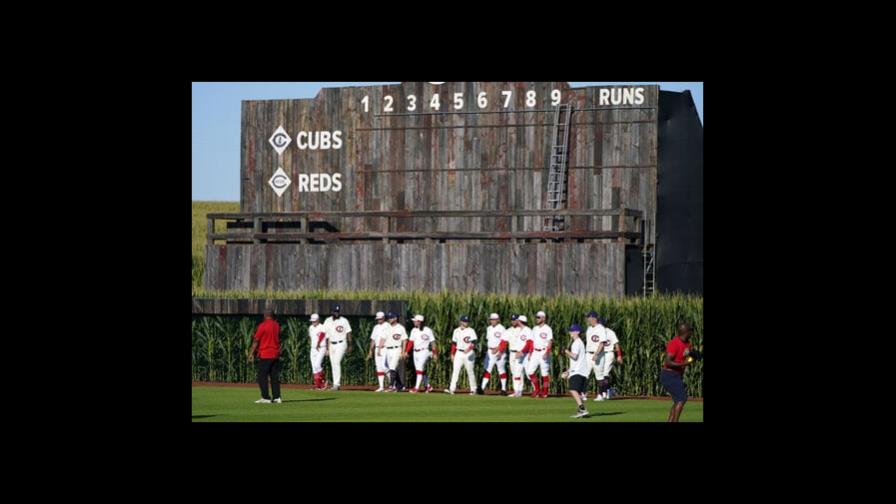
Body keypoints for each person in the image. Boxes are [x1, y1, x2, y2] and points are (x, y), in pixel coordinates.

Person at [661, 322, 695, 422]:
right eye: (690, 330)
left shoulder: (688, 343)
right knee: (681, 399)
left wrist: (694, 356)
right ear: (686, 332)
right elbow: (668, 362)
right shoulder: (674, 343)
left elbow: (688, 356)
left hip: (677, 375)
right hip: (668, 375)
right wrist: (684, 364)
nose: (692, 332)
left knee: (678, 400)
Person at [248, 308, 282, 404]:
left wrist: (251, 353)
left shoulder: (262, 326)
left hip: (265, 354)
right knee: (274, 377)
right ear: (272, 315)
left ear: (265, 315)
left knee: (262, 376)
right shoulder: (277, 325)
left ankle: (266, 397)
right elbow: (279, 339)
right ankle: (277, 397)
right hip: (275, 354)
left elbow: (256, 341)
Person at [445, 315, 477, 395]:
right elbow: (454, 343)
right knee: (455, 371)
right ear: (461, 321)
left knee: (470, 371)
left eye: (467, 321)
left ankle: (473, 389)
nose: (466, 323)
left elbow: (474, 342)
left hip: (469, 353)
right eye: (464, 321)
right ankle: (452, 389)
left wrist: (469, 349)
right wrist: (452, 353)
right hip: (459, 352)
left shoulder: (471, 330)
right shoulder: (456, 331)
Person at [563, 324, 590, 418]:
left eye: (572, 331)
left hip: (578, 371)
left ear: (578, 332)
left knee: (573, 390)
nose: (570, 332)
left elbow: (574, 356)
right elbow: (577, 360)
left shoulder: (576, 343)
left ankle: (582, 409)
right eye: (570, 330)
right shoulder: (579, 343)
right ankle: (581, 411)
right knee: (577, 392)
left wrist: (566, 352)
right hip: (579, 370)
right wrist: (568, 371)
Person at [524, 310, 553, 398]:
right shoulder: (535, 328)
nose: (537, 319)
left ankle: (545, 392)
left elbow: (550, 341)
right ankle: (537, 389)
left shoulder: (548, 329)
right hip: (535, 352)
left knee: (544, 373)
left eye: (538, 317)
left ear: (543, 318)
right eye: (536, 317)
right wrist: (530, 352)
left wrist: (547, 352)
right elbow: (532, 342)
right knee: (530, 371)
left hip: (543, 352)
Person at [323, 304, 352, 391]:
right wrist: (327, 348)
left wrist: (350, 344)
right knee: (333, 363)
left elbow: (349, 332)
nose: (336, 313)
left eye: (337, 311)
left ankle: (336, 384)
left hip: (341, 343)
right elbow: (325, 335)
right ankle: (336, 384)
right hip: (331, 344)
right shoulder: (327, 321)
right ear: (331, 312)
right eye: (335, 311)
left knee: (336, 362)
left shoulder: (344, 320)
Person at [480, 313, 508, 395]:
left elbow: (504, 341)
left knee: (501, 370)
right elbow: (489, 340)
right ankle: (481, 388)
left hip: (500, 352)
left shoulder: (502, 329)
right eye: (491, 319)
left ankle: (503, 389)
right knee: (488, 369)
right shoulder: (488, 328)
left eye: (494, 319)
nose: (492, 321)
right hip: (490, 351)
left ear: (498, 320)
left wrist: (499, 351)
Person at [407, 314, 437, 393]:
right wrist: (406, 351)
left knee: (419, 370)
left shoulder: (428, 330)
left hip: (424, 351)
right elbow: (410, 342)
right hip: (415, 352)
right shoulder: (414, 330)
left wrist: (434, 353)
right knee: (420, 370)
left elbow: (433, 342)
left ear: (419, 322)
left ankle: (416, 388)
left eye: (415, 321)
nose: (413, 322)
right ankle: (428, 386)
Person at [382, 312, 408, 392]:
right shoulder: (387, 328)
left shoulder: (400, 328)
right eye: (389, 318)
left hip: (397, 349)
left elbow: (404, 340)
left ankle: (391, 386)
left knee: (392, 367)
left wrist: (403, 351)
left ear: (395, 318)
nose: (389, 319)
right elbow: (383, 338)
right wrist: (380, 348)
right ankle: (400, 385)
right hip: (388, 349)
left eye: (391, 317)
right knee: (386, 368)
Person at [367, 311, 388, 392]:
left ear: (383, 318)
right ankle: (381, 386)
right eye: (378, 319)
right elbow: (373, 339)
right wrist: (370, 351)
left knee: (385, 367)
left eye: (380, 319)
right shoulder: (376, 327)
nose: (379, 320)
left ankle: (393, 384)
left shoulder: (387, 326)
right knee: (379, 367)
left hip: (385, 348)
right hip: (376, 348)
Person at [308, 313, 329, 390]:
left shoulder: (322, 327)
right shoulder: (310, 327)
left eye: (314, 321)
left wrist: (320, 344)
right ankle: (319, 385)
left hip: (321, 348)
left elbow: (323, 336)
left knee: (317, 365)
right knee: (314, 367)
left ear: (318, 320)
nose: (313, 322)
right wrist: (312, 344)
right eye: (312, 321)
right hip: (313, 349)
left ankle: (324, 380)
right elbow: (310, 336)